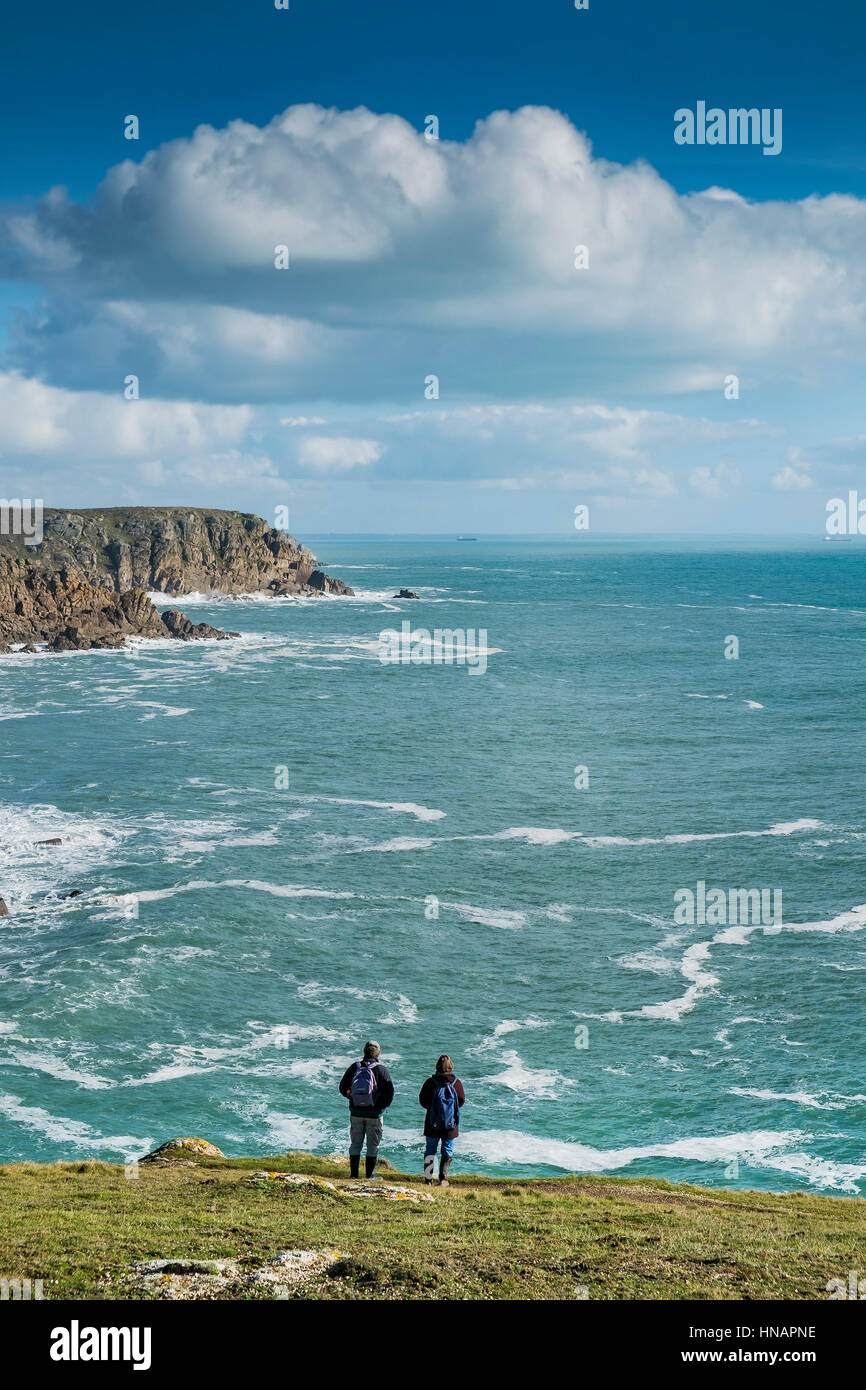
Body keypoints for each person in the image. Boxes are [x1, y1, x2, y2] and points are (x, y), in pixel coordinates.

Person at [338, 1041, 394, 1179]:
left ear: (364, 1052)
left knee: (355, 1144)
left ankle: (354, 1175)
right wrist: (380, 1106)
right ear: (378, 1053)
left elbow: (342, 1087)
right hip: (374, 1115)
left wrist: (352, 1097)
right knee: (372, 1146)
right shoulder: (381, 1070)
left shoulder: (355, 1067)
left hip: (356, 1112)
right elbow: (389, 1093)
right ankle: (370, 1176)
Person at [418, 1054, 465, 1186]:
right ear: (451, 1066)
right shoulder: (456, 1083)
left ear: (437, 1066)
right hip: (451, 1124)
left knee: (430, 1149)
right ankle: (443, 1179)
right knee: (447, 1149)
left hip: (432, 1123)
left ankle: (428, 1179)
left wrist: (433, 1109)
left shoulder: (430, 1082)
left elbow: (422, 1101)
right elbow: (461, 1100)